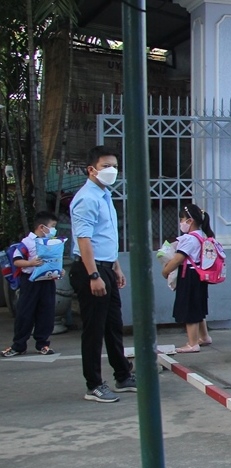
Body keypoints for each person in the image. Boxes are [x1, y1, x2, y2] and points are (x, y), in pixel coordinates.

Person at [69, 145, 136, 403]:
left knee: (112, 326)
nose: (111, 171)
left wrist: (115, 265)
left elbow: (104, 237)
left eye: (114, 166)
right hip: (91, 269)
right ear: (91, 169)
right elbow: (84, 239)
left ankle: (123, 375)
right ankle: (94, 384)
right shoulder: (87, 198)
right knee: (94, 330)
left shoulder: (104, 195)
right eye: (106, 166)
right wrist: (94, 275)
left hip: (106, 266)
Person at [2, 211, 61, 357]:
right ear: (42, 227)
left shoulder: (52, 242)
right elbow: (17, 261)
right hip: (30, 282)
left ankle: (43, 344)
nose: (54, 229)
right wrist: (30, 263)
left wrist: (59, 271)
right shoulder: (27, 242)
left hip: (47, 282)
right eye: (52, 226)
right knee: (25, 313)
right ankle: (19, 345)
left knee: (46, 313)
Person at [160, 203, 215, 353]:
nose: (181, 223)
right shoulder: (201, 236)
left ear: (190, 221)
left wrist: (166, 271)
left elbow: (178, 259)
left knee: (190, 309)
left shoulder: (189, 239)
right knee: (198, 308)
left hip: (189, 276)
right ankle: (204, 337)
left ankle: (192, 343)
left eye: (182, 219)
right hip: (198, 276)